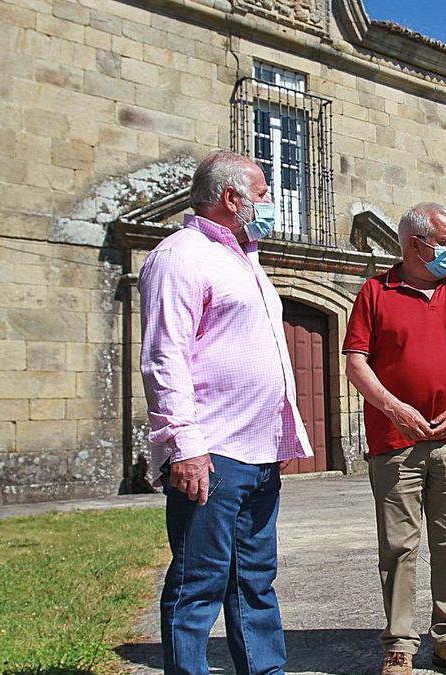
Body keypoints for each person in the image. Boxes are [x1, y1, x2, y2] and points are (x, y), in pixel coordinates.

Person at [139, 149, 314, 675]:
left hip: (256, 455)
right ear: (231, 197)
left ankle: (265, 670)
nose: (270, 201)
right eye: (262, 193)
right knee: (198, 583)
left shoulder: (246, 257)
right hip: (210, 454)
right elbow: (163, 356)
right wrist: (184, 447)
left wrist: (278, 439)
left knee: (254, 580)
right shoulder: (181, 256)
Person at [342, 203, 446, 675]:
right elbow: (356, 362)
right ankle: (400, 643)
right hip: (394, 440)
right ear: (414, 244)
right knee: (400, 546)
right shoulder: (375, 292)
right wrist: (395, 408)